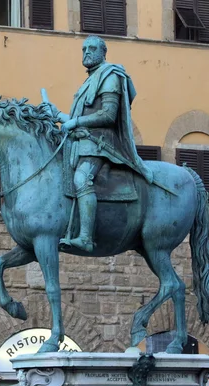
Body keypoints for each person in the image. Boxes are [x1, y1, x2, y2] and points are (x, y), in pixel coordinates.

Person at [49, 35, 153, 253]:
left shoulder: (110, 76)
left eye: (92, 48)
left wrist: (75, 122)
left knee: (81, 179)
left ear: (103, 52)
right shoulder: (90, 79)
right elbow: (80, 116)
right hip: (82, 142)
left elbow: (108, 115)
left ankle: (86, 237)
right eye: (84, 48)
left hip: (100, 144)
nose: (86, 51)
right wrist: (57, 114)